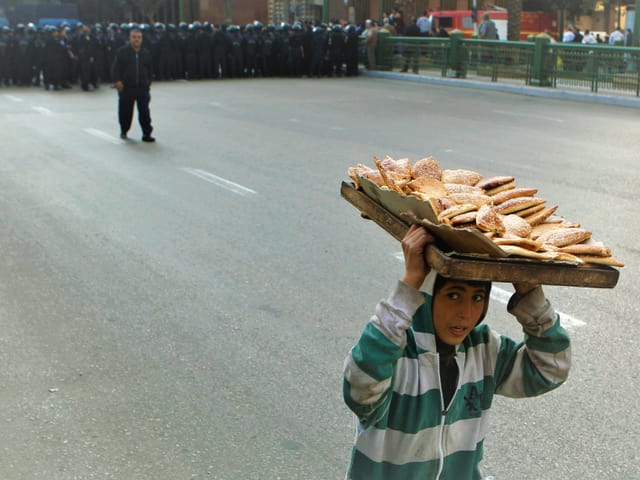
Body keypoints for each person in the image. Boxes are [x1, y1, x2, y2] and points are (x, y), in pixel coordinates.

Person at [343, 225, 571, 479]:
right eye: (453, 295)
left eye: (477, 298)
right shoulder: (397, 351)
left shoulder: (484, 350)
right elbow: (360, 389)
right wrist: (409, 284)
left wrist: (530, 294)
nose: (466, 313)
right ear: (428, 296)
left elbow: (551, 369)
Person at [111, 27, 155, 142]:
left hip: (142, 88)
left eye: (139, 37)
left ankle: (147, 133)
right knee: (125, 111)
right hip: (127, 88)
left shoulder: (146, 53)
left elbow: (150, 70)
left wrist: (148, 82)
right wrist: (117, 81)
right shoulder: (122, 52)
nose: (137, 40)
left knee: (145, 112)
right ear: (130, 38)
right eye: (134, 37)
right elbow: (116, 69)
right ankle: (124, 130)